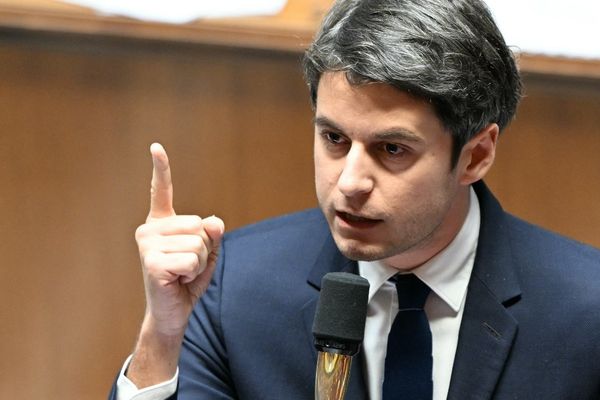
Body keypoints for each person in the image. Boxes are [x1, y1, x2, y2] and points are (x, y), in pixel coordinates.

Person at [110, 0, 600, 399]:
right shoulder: (236, 287)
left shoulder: (586, 310)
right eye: (334, 139)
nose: (349, 183)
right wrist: (161, 335)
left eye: (392, 149)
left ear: (475, 156)